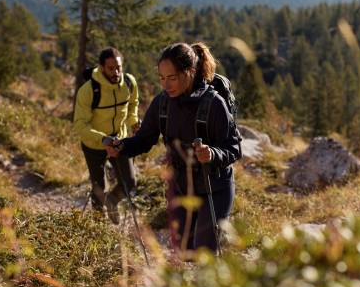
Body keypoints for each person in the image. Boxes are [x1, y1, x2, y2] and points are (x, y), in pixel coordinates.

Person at [106, 42, 241, 253]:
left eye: (172, 78)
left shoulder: (213, 104)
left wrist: (212, 153)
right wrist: (122, 146)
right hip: (180, 186)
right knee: (184, 250)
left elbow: (233, 148)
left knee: (204, 252)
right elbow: (144, 139)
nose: (166, 85)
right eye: (162, 78)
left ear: (190, 72)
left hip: (214, 188)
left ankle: (213, 285)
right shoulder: (163, 103)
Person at [73, 47, 140, 223]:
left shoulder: (129, 83)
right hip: (94, 144)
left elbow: (133, 103)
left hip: (119, 140)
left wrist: (133, 121)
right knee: (98, 188)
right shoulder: (88, 91)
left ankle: (112, 201)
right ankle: (99, 229)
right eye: (111, 68)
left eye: (119, 67)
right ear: (101, 68)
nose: (116, 72)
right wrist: (102, 139)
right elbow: (80, 125)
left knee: (129, 182)